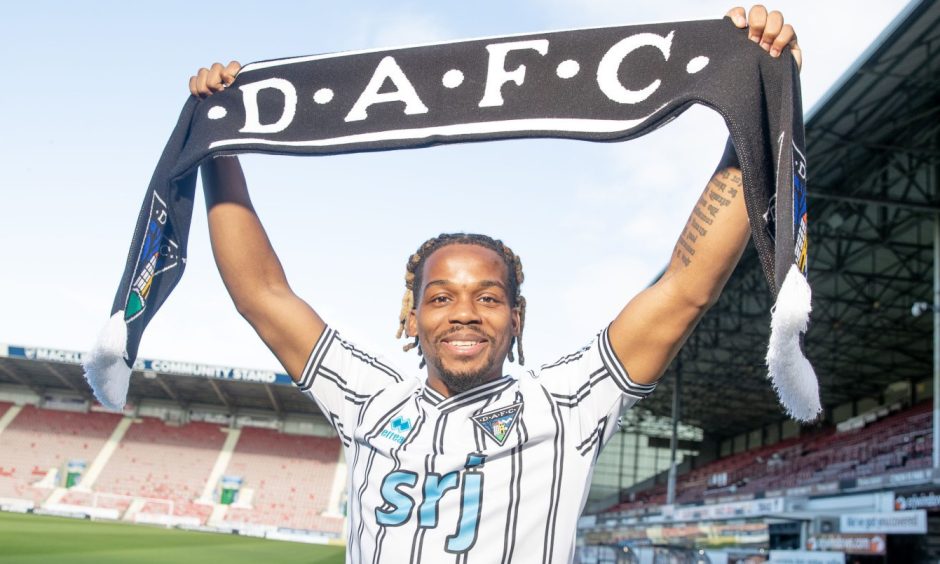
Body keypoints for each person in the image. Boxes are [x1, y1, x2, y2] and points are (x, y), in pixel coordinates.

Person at [192, 6, 800, 562]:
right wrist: (216, 144)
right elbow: (262, 294)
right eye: (440, 297)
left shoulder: (566, 404)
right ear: (411, 317)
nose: (464, 313)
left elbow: (684, 288)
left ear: (517, 316)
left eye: (488, 297)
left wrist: (756, 102)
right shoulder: (367, 401)